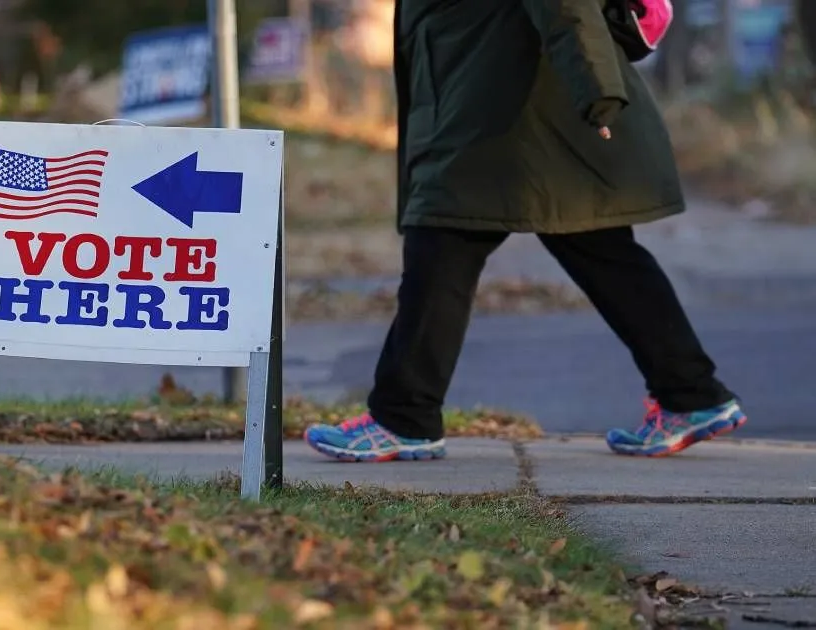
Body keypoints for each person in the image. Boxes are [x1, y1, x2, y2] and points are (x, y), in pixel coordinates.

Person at [303, 0, 747, 462]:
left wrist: (598, 94)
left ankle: (403, 418)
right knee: (604, 254)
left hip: (508, 121)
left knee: (442, 244)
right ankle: (691, 393)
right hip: (508, 112)